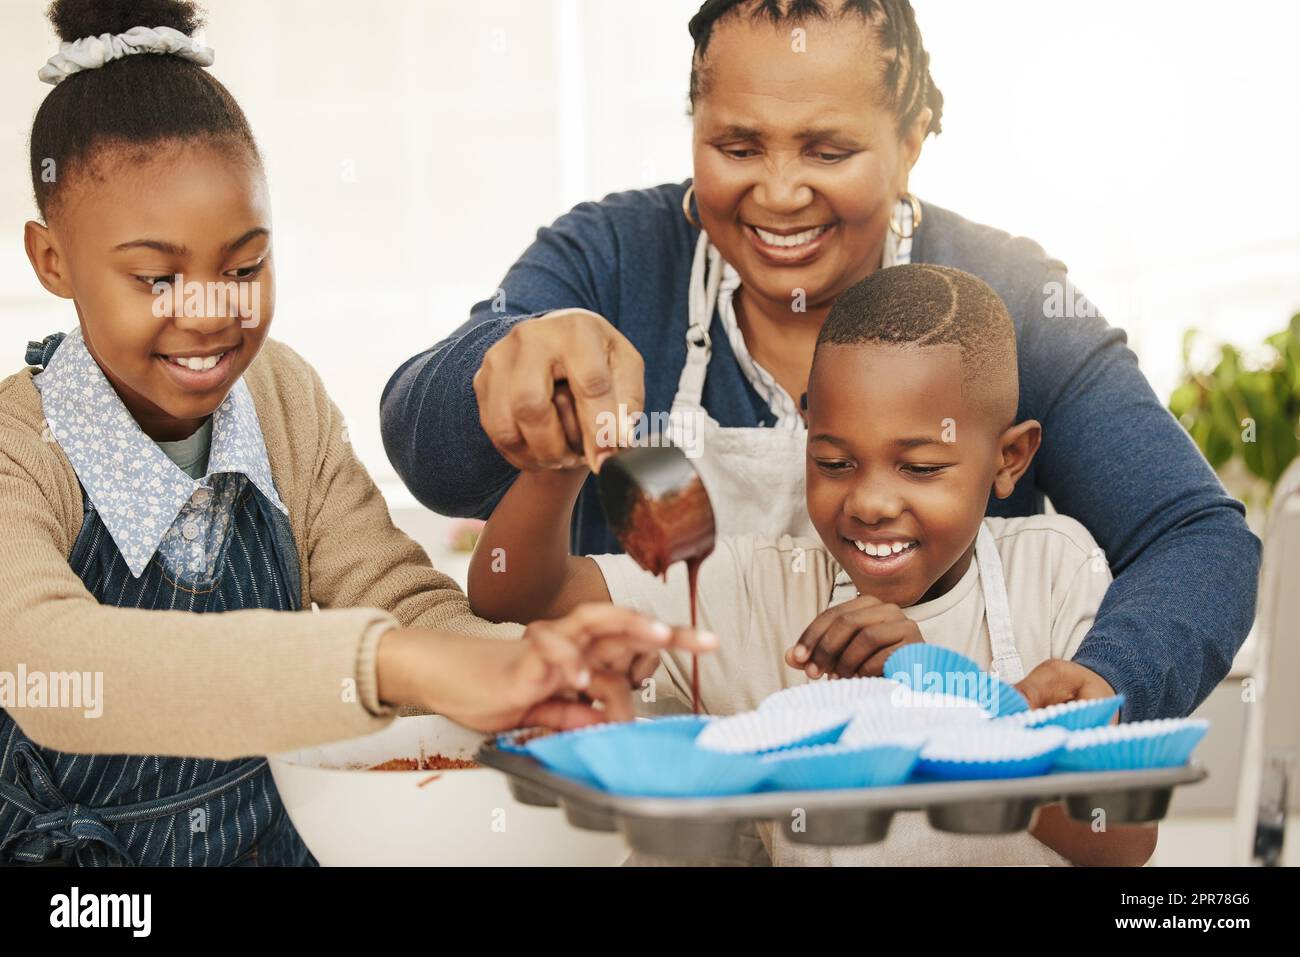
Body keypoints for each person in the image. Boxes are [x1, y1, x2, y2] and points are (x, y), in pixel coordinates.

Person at [382, 0, 1259, 727]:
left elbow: (1197, 537)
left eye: (828, 150)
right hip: (655, 821)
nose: (779, 192)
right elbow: (430, 457)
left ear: (913, 138)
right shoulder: (612, 259)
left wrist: (1108, 680)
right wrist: (501, 368)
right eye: (738, 145)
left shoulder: (1007, 297)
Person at [0, 0, 712, 868]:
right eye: (155, 276)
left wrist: (542, 664)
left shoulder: (280, 395)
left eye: (246, 266)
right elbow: (59, 666)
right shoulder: (20, 450)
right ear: (52, 260)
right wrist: (393, 665)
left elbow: (396, 598)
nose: (211, 311)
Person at [467, 263, 1156, 866]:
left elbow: (1123, 839)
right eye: (834, 462)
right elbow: (519, 592)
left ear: (1009, 458)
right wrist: (557, 463)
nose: (872, 502)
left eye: (920, 467)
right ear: (805, 428)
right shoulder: (753, 591)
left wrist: (942, 706)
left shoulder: (1056, 570)